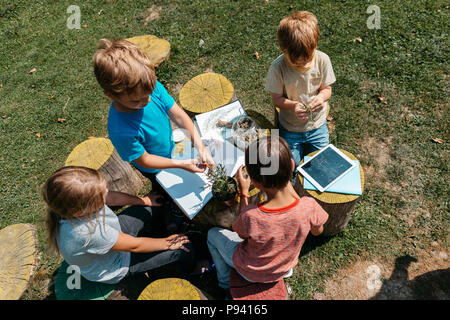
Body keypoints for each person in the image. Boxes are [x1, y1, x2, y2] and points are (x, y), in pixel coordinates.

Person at [92, 38, 215, 230]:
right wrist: (181, 164)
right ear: (111, 95)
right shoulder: (120, 130)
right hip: (154, 168)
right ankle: (172, 209)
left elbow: (180, 117)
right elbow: (145, 161)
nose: (146, 101)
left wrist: (200, 147)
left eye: (148, 94)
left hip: (171, 148)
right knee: (166, 189)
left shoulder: (149, 86)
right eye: (136, 101)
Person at [207, 135, 329, 298]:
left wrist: (244, 193)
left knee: (212, 235)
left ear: (255, 183)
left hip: (250, 271)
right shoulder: (308, 206)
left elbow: (242, 235)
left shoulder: (252, 215)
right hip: (283, 268)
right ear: (292, 165)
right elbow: (317, 231)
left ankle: (223, 282)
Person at [42, 166, 195, 284]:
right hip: (117, 264)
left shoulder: (71, 206)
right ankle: (192, 270)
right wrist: (168, 243)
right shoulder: (88, 233)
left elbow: (112, 198)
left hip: (115, 235)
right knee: (184, 249)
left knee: (155, 205)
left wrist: (144, 200)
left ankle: (168, 226)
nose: (107, 193)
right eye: (102, 196)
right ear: (80, 212)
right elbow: (136, 246)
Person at [265, 11, 336, 172]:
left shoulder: (323, 60)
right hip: (290, 128)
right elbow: (276, 99)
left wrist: (321, 97)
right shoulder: (278, 68)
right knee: (290, 166)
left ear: (315, 45)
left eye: (308, 59)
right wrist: (293, 105)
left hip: (317, 125)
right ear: (284, 50)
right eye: (297, 62)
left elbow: (327, 89)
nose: (304, 65)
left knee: (320, 162)